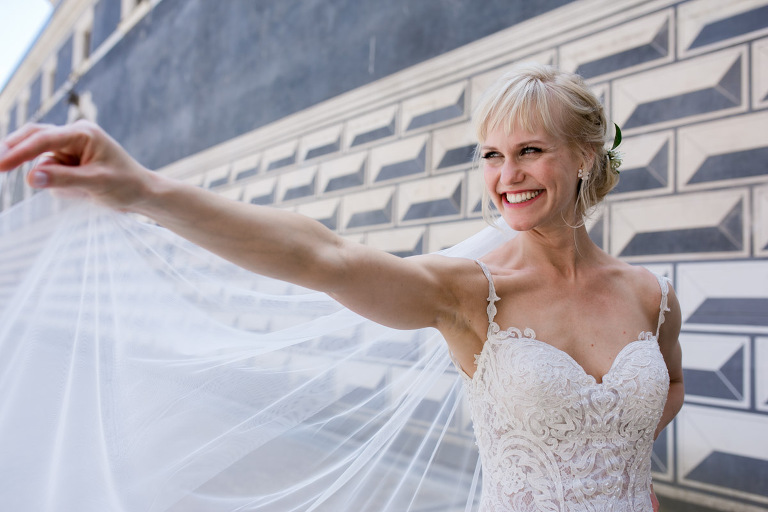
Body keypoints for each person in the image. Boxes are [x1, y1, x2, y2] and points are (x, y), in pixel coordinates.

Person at [0, 63, 682, 510]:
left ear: (585, 156)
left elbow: (667, 387)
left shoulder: (652, 295)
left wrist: (614, 459)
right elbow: (320, 255)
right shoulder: (471, 291)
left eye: (530, 150)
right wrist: (143, 188)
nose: (507, 174)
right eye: (491, 156)